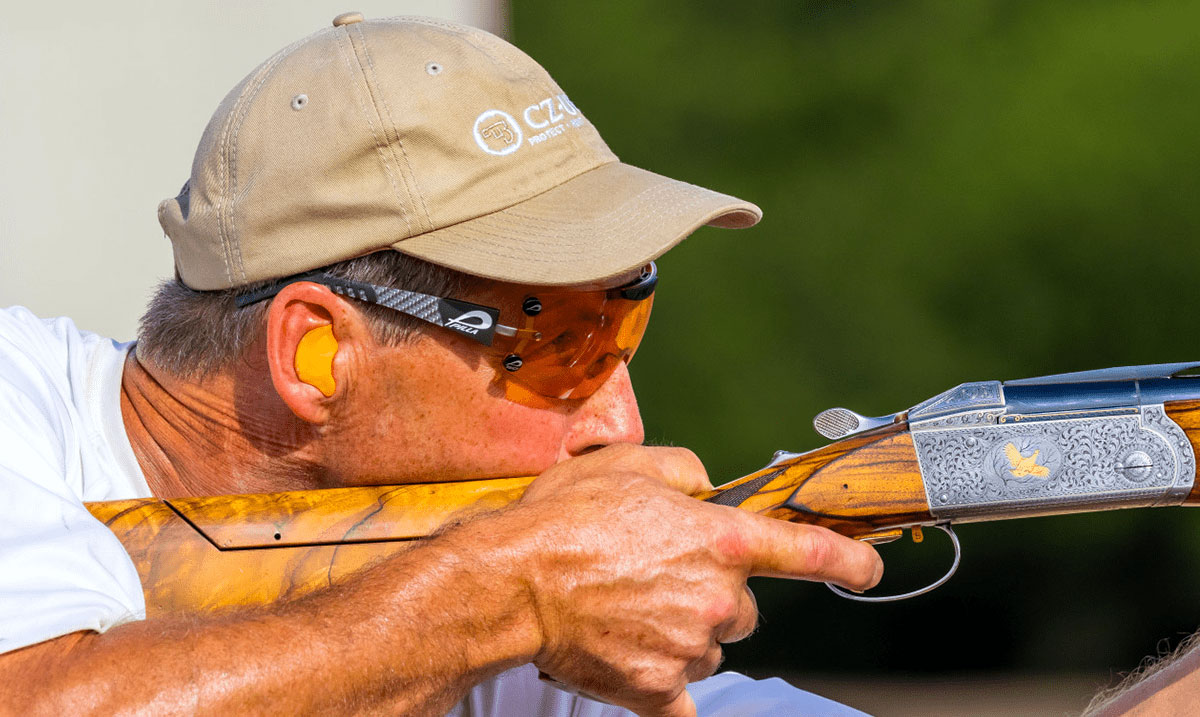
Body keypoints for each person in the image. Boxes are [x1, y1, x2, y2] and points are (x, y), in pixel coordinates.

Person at [0, 14, 883, 717]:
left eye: (625, 318)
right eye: (556, 341)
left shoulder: (462, 576)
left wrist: (509, 593)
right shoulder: (15, 397)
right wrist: (508, 596)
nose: (622, 425)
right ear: (316, 353)